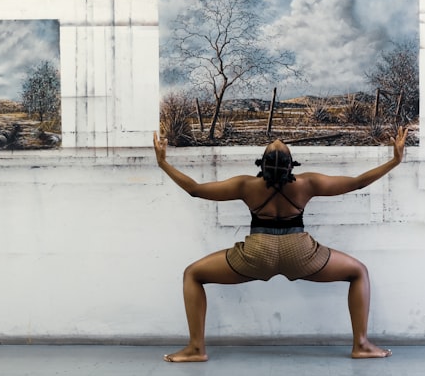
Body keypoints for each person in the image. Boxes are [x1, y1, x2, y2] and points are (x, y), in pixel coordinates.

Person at [153, 127, 408, 362]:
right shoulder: (308, 183)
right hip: (301, 253)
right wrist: (394, 161)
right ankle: (361, 345)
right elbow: (357, 182)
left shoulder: (246, 185)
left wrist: (163, 163)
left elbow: (195, 190)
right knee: (358, 272)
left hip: (256, 253)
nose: (277, 141)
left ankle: (196, 349)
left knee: (193, 274)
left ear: (262, 165)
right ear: (291, 166)